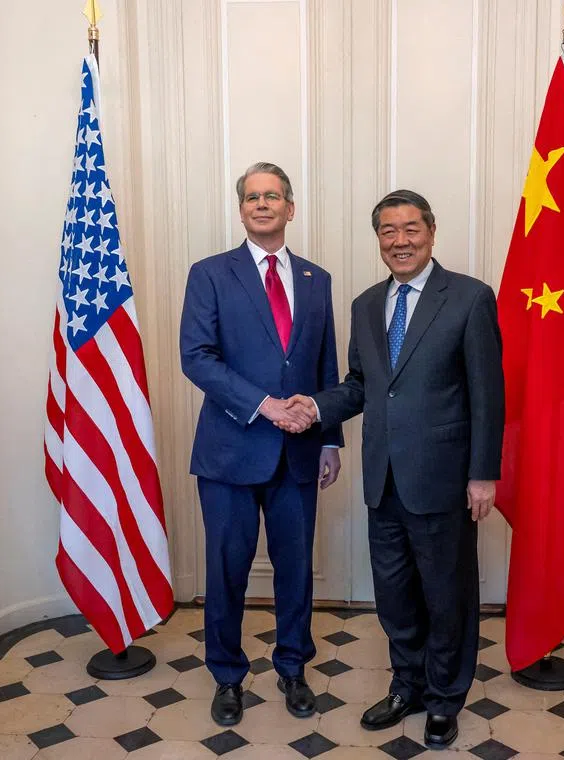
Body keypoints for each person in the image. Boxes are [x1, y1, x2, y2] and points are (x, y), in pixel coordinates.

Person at [281, 189, 504, 749]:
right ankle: (407, 684)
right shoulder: (364, 304)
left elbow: (487, 393)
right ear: (378, 238)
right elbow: (361, 385)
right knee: (396, 595)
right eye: (388, 231)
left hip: (444, 478)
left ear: (431, 231)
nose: (400, 241)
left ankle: (444, 699)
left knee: (447, 594)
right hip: (382, 479)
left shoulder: (470, 298)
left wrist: (483, 474)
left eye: (410, 229)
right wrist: (314, 407)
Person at [179, 162, 342, 727]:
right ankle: (227, 675)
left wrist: (330, 442)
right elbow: (196, 357)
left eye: (272, 196)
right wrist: (263, 405)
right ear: (241, 209)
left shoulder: (316, 279)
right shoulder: (210, 274)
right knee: (228, 568)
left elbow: (326, 364)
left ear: (290, 208)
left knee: (296, 568)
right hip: (229, 451)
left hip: (299, 453)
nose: (262, 205)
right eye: (252, 197)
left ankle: (293, 667)